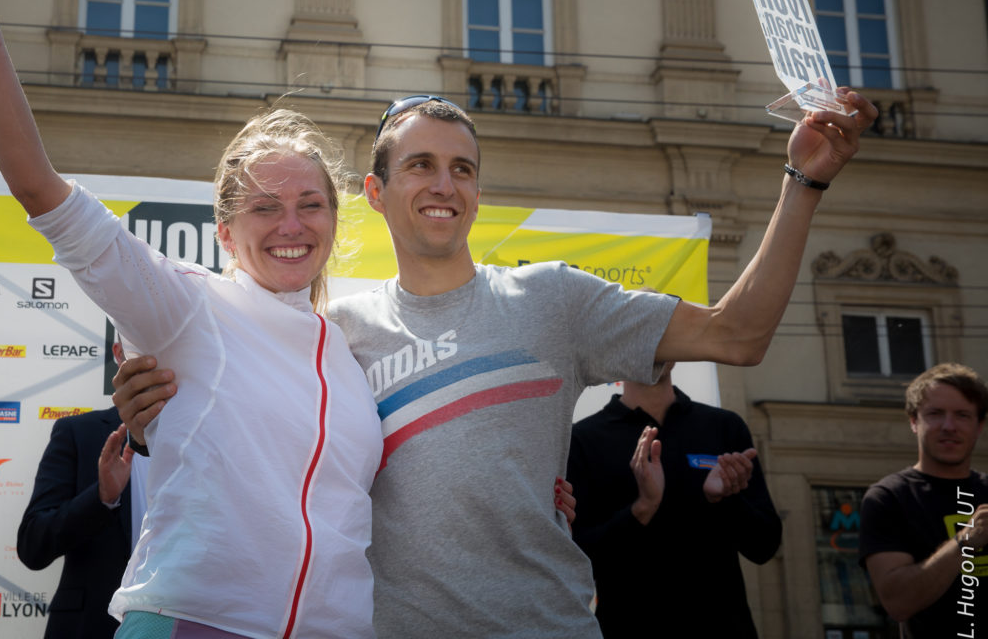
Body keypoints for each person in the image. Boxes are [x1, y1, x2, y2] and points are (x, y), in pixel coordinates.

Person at [117, 93, 872, 630]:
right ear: (377, 193)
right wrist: (147, 410)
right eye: (420, 165)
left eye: (463, 169)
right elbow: (240, 429)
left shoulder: (553, 299)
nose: (444, 184)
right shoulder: (332, 332)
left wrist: (804, 181)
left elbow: (736, 335)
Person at [0, 0, 382, 639]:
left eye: (310, 205)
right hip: (193, 622)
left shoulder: (349, 350)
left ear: (335, 220)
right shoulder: (189, 308)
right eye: (266, 208)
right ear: (226, 235)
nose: (293, 226)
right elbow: (37, 186)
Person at [567, 361, 781, 638]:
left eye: (662, 335)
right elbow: (576, 561)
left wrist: (725, 499)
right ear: (619, 350)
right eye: (639, 334)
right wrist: (643, 508)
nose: (653, 347)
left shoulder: (724, 427)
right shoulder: (583, 441)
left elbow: (765, 545)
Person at [18, 343, 151, 639]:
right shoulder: (78, 432)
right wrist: (102, 498)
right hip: (91, 627)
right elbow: (33, 545)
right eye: (138, 342)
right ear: (119, 354)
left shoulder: (212, 442)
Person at [859, 363, 988, 638]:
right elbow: (898, 603)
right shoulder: (888, 498)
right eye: (935, 414)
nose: (949, 426)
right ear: (913, 421)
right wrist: (964, 543)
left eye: (963, 415)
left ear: (980, 426)